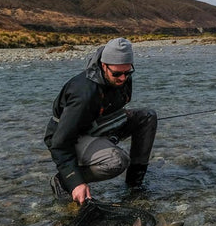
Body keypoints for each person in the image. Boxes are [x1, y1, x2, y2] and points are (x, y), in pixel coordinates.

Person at [44, 37, 157, 204]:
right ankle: (63, 181)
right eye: (117, 74)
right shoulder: (84, 93)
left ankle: (135, 185)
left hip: (98, 125)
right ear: (104, 66)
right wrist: (75, 181)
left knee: (148, 117)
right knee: (117, 161)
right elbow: (59, 143)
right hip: (69, 136)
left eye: (127, 72)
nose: (123, 78)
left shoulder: (123, 77)